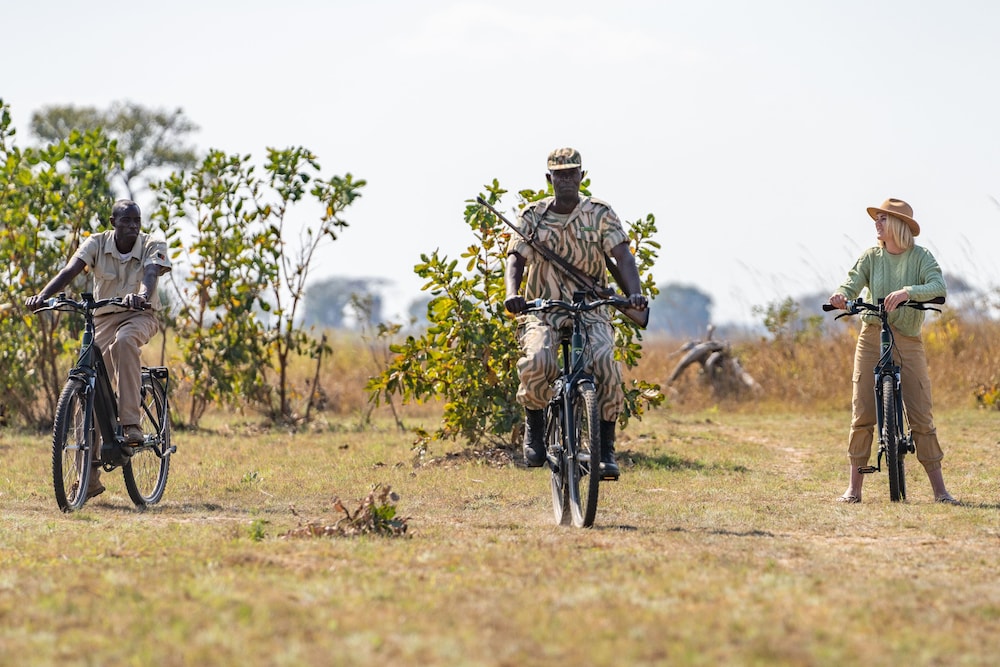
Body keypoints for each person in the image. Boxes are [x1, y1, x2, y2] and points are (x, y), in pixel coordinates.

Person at [504, 147, 648, 477]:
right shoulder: (533, 216)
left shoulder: (599, 213)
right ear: (549, 179)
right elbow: (516, 259)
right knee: (538, 359)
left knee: (606, 364)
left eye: (572, 173)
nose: (566, 179)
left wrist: (635, 294)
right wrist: (513, 294)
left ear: (582, 176)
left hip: (590, 307)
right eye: (560, 175)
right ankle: (535, 428)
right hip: (544, 307)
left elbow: (623, 256)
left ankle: (605, 448)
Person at [26, 199, 171, 499]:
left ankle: (130, 424)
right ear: (113, 222)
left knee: (124, 341)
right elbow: (70, 270)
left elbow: (151, 274)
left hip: (139, 315)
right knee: (87, 389)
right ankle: (88, 479)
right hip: (102, 317)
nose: (133, 226)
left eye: (137, 221)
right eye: (126, 220)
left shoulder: (152, 244)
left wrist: (141, 295)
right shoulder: (96, 243)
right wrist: (42, 296)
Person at [828, 198, 957, 504]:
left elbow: (938, 287)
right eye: (877, 218)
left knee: (921, 415)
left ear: (898, 225)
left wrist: (907, 292)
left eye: (883, 218)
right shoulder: (871, 257)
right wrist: (841, 296)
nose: (877, 223)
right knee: (862, 414)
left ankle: (940, 492)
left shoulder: (921, 257)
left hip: (908, 340)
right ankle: (853, 490)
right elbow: (851, 284)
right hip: (872, 336)